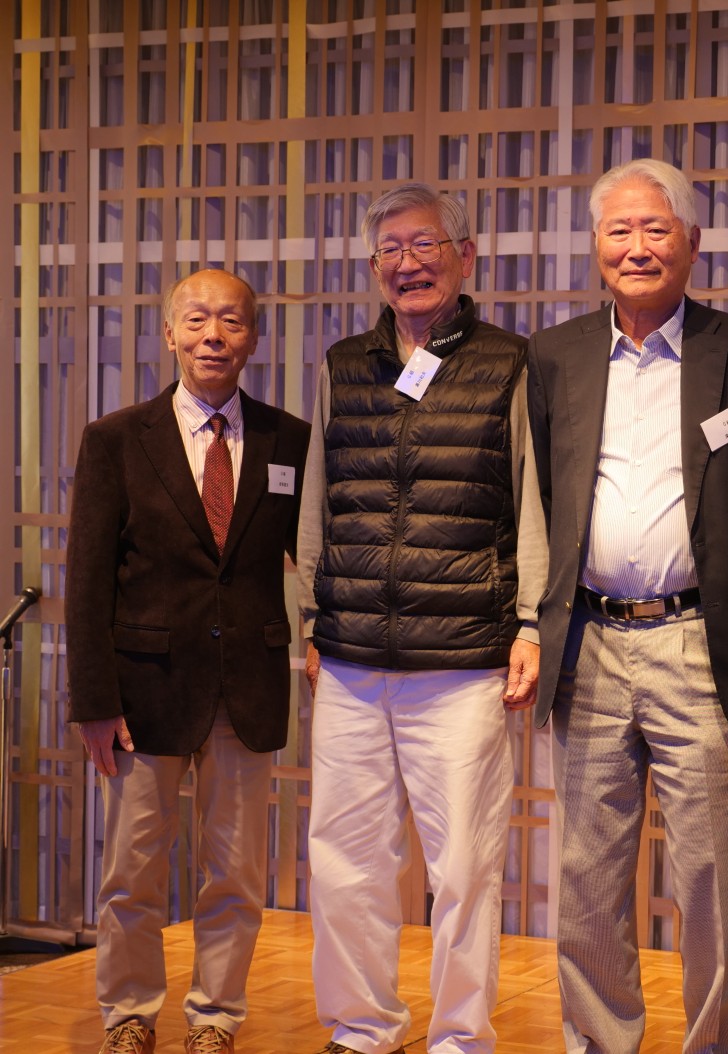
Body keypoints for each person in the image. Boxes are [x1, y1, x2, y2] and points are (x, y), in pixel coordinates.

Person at [526, 158, 728, 1054]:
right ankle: (599, 1043)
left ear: (692, 242)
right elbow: (537, 499)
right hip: (590, 642)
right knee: (586, 876)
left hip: (699, 644)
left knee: (713, 874)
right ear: (595, 246)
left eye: (656, 229)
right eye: (619, 230)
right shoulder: (555, 354)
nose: (637, 247)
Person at [298, 182, 546, 1054]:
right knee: (345, 860)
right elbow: (319, 497)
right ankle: (362, 1027)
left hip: (463, 661)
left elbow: (531, 498)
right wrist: (310, 617)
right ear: (374, 268)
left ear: (464, 256)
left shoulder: (510, 363)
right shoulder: (341, 366)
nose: (407, 264)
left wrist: (529, 623)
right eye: (390, 250)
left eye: (425, 245)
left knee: (466, 867)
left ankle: (459, 1038)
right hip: (351, 657)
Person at [66, 269, 310, 1054]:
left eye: (231, 321)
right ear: (170, 334)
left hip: (248, 687)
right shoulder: (116, 438)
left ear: (253, 338)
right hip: (144, 693)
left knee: (234, 873)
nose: (214, 336)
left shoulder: (289, 439)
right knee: (132, 871)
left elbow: (310, 556)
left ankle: (215, 1018)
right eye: (197, 320)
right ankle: (129, 1014)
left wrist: (321, 638)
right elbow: (86, 578)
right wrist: (93, 701)